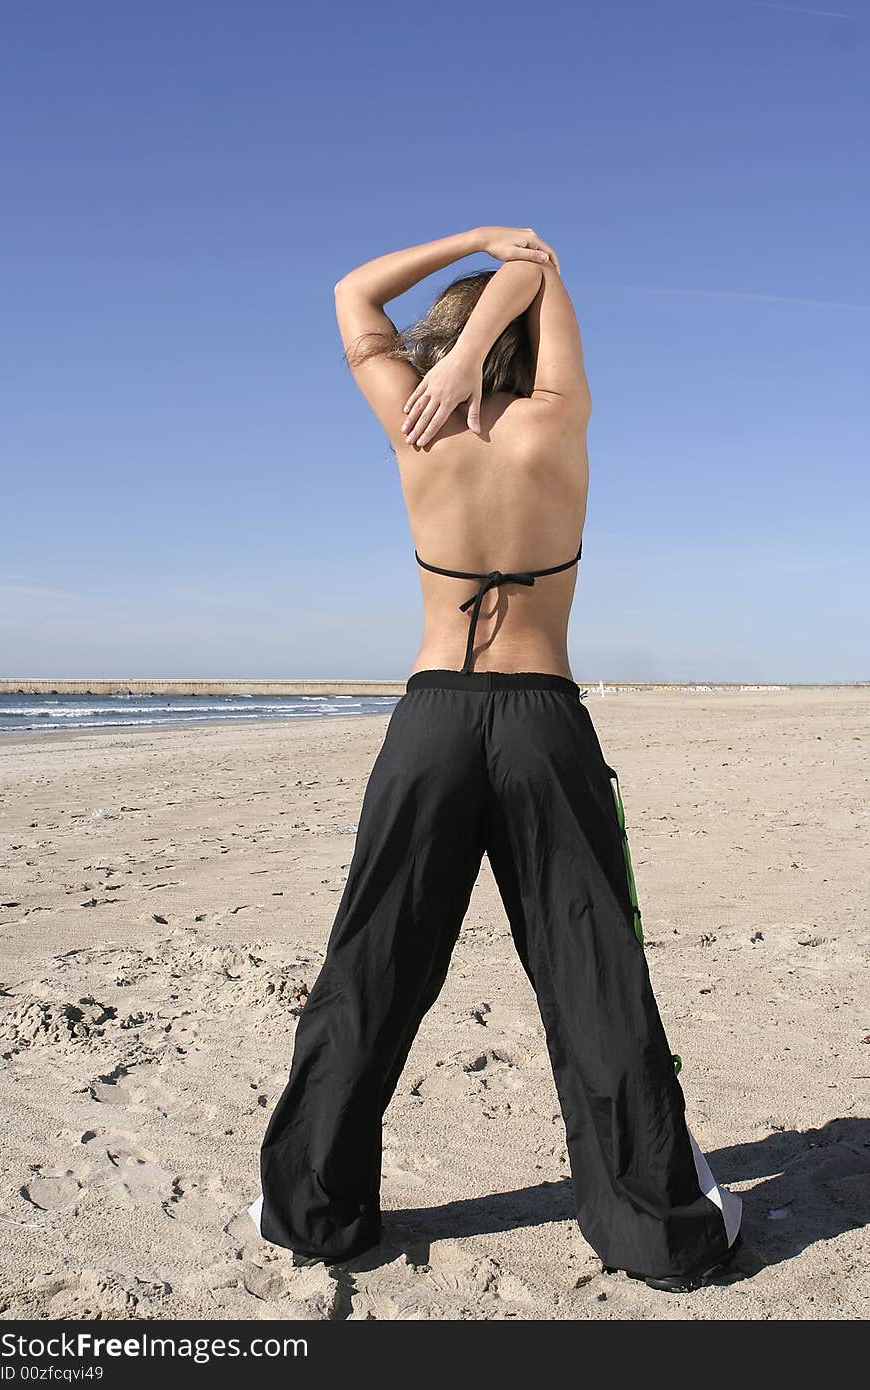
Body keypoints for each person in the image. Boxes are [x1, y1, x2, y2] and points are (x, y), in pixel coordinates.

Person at [249, 225, 742, 1293]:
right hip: (541, 716)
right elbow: (545, 264)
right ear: (527, 339)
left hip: (431, 719)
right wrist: (497, 309)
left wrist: (468, 263)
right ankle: (654, 1225)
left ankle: (312, 1206)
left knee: (373, 961)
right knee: (592, 967)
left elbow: (350, 292)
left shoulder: (415, 431)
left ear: (461, 339)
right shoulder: (556, 427)